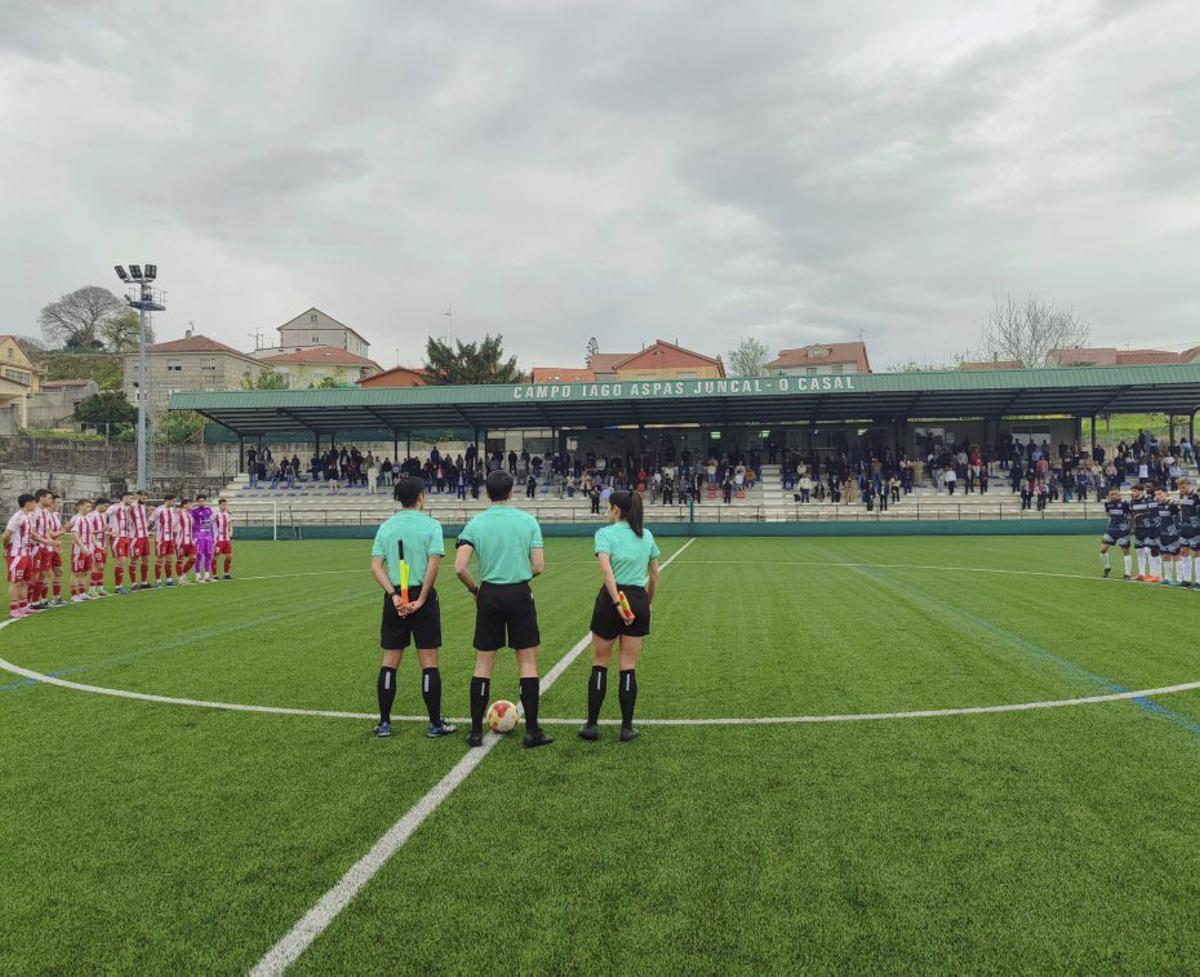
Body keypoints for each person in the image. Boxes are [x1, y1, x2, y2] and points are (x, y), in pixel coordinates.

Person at [454, 469, 553, 749]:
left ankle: (475, 732)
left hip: (489, 594)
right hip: (520, 592)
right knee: (527, 662)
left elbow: (460, 568)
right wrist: (519, 575)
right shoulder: (527, 521)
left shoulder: (476, 523)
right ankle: (533, 731)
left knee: (484, 663)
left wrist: (476, 590)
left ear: (487, 493)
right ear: (512, 492)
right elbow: (538, 566)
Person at [368, 476, 456, 739]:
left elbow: (375, 566)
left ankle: (384, 723)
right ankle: (434, 724)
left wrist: (394, 595)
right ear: (421, 496)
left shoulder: (386, 527)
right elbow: (433, 566)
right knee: (428, 661)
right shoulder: (431, 526)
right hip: (421, 596)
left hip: (395, 596)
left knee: (390, 661)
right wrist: (421, 599)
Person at [579, 490, 660, 743]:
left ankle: (592, 725)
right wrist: (646, 603)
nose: (606, 508)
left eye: (608, 505)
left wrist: (616, 602)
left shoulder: (604, 534)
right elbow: (655, 575)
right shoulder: (646, 535)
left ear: (616, 509)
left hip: (610, 600)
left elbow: (606, 571)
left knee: (600, 661)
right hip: (637, 599)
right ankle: (626, 728)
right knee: (628, 664)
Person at [4, 493, 38, 618]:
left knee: (25, 581)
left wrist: (47, 541)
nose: (35, 505)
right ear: (28, 503)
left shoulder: (27, 517)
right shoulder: (17, 517)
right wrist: (6, 548)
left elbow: (31, 535)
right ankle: (13, 609)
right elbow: (6, 535)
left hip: (26, 553)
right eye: (34, 502)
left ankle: (24, 606)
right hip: (16, 553)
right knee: (16, 582)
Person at [1129, 483, 1161, 582]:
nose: (1133, 493)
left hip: (1149, 528)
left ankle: (1153, 574)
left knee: (1149, 550)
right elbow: (1131, 515)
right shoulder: (1132, 502)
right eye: (1132, 491)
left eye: (1135, 491)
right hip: (1138, 530)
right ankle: (1142, 574)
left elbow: (1153, 512)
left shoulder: (1149, 500)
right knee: (1139, 551)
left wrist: (1141, 514)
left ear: (1140, 491)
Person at [1099, 488, 1132, 580]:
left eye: (1115, 494)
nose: (1113, 496)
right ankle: (1107, 567)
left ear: (1119, 495)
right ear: (1109, 495)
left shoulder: (1125, 504)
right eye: (1111, 494)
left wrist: (1129, 526)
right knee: (1103, 549)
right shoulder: (1107, 504)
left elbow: (1130, 515)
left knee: (1125, 550)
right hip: (1111, 529)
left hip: (1123, 531)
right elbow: (1108, 514)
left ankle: (1127, 573)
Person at [68, 499, 95, 602]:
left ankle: (82, 592)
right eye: (88, 506)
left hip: (88, 549)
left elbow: (91, 534)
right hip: (78, 550)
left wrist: (95, 545)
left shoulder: (88, 518)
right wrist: (82, 547)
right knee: (76, 572)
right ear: (80, 506)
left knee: (84, 572)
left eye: (90, 506)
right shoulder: (76, 518)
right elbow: (74, 534)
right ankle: (74, 595)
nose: (90, 508)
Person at [107, 491, 134, 595]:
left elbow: (128, 523)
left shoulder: (126, 509)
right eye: (130, 499)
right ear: (125, 498)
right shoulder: (115, 507)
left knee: (123, 561)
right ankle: (118, 586)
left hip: (125, 537)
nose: (131, 501)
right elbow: (105, 514)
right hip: (117, 537)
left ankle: (120, 586)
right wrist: (109, 528)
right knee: (121, 561)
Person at [1156, 488, 1182, 586]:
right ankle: (1168, 578)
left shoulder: (1173, 504)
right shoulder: (1159, 505)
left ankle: (1179, 579)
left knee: (1176, 556)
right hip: (1162, 534)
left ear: (1166, 494)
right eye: (1156, 494)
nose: (1158, 496)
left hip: (1173, 534)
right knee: (1165, 556)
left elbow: (1181, 515)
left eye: (1160, 493)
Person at [150, 495, 178, 587]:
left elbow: (174, 523)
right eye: (173, 501)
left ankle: (169, 579)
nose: (174, 503)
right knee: (160, 559)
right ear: (167, 500)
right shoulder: (158, 510)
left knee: (169, 559)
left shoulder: (173, 510)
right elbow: (150, 520)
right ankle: (158, 581)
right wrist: (146, 531)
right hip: (161, 539)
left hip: (170, 539)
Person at [87, 498, 111, 597]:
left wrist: (108, 534)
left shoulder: (104, 515)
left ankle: (100, 588)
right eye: (105, 506)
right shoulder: (91, 516)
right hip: (95, 544)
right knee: (98, 566)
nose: (107, 508)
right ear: (99, 505)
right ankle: (91, 589)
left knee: (102, 567)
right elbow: (89, 531)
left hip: (102, 544)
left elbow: (103, 531)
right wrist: (101, 530)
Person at [130, 490, 152, 590]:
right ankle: (133, 583)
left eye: (146, 497)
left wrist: (149, 514)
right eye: (143, 497)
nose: (145, 498)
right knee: (134, 559)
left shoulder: (142, 507)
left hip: (145, 536)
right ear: (137, 496)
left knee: (146, 559)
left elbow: (143, 521)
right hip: (136, 537)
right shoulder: (131, 506)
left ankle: (144, 582)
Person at [192, 495, 216, 583]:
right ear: (197, 502)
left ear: (205, 501)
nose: (201, 502)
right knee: (198, 555)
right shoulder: (194, 511)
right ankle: (198, 576)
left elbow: (213, 519)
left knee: (209, 555)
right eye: (199, 501)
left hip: (208, 536)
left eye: (203, 501)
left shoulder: (209, 510)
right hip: (198, 536)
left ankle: (207, 576)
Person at [175, 499, 196, 583]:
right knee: (180, 560)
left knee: (193, 559)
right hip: (181, 541)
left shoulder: (190, 515)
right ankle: (180, 578)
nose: (192, 506)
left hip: (190, 541)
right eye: (190, 504)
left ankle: (183, 574)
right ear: (185, 505)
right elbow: (169, 510)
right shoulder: (178, 513)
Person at [214, 499, 234, 580]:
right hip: (218, 539)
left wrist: (231, 532)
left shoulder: (228, 514)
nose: (224, 506)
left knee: (229, 557)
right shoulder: (215, 514)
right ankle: (214, 575)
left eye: (226, 504)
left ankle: (226, 574)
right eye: (223, 505)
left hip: (226, 539)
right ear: (219, 505)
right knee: (215, 557)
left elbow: (230, 523)